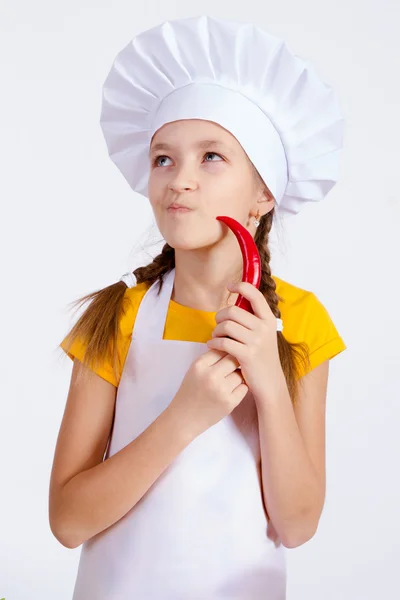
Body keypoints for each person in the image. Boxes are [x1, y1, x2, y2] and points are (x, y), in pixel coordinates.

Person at [49, 15, 347, 599]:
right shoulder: (117, 317)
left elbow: (298, 524)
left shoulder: (301, 321)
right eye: (163, 158)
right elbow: (67, 521)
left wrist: (267, 376)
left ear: (264, 195)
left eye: (212, 157)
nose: (179, 180)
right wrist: (184, 417)